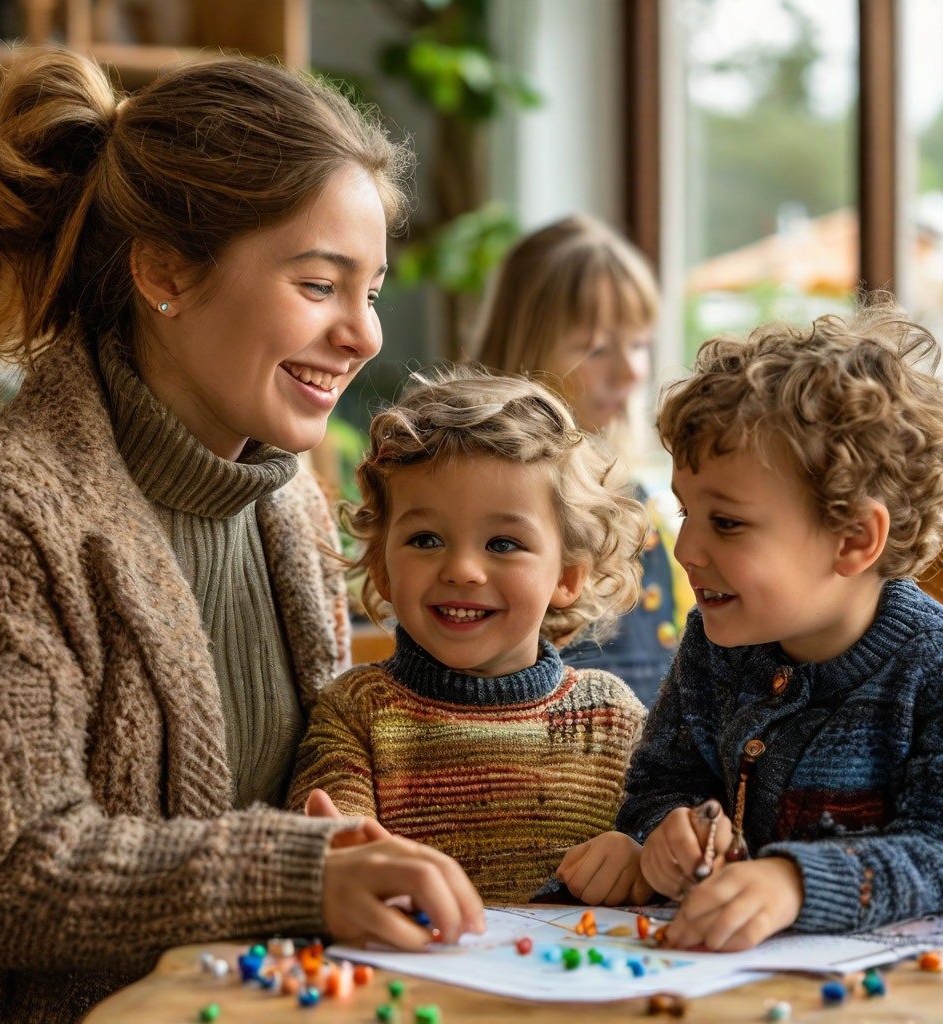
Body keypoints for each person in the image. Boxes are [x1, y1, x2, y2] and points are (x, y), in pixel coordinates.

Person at [0, 47, 485, 1024]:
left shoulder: (289, 502)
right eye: (320, 284)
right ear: (165, 271)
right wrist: (309, 872)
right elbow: (13, 871)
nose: (365, 335)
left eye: (373, 291)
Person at [563, 302, 943, 950]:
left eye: (728, 523)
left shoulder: (928, 669)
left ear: (853, 538)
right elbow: (660, 787)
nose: (685, 551)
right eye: (686, 512)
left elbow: (935, 854)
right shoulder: (714, 649)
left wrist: (792, 885)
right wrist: (663, 838)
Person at [287, 365, 653, 904]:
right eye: (426, 538)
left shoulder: (612, 718)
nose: (462, 569)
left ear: (568, 576)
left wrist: (640, 852)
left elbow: (674, 834)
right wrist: (342, 853)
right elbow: (330, 839)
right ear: (382, 567)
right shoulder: (357, 711)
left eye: (503, 544)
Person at [475, 214, 690, 707]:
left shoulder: (631, 490)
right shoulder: (497, 496)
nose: (631, 370)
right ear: (527, 349)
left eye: (638, 343)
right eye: (596, 349)